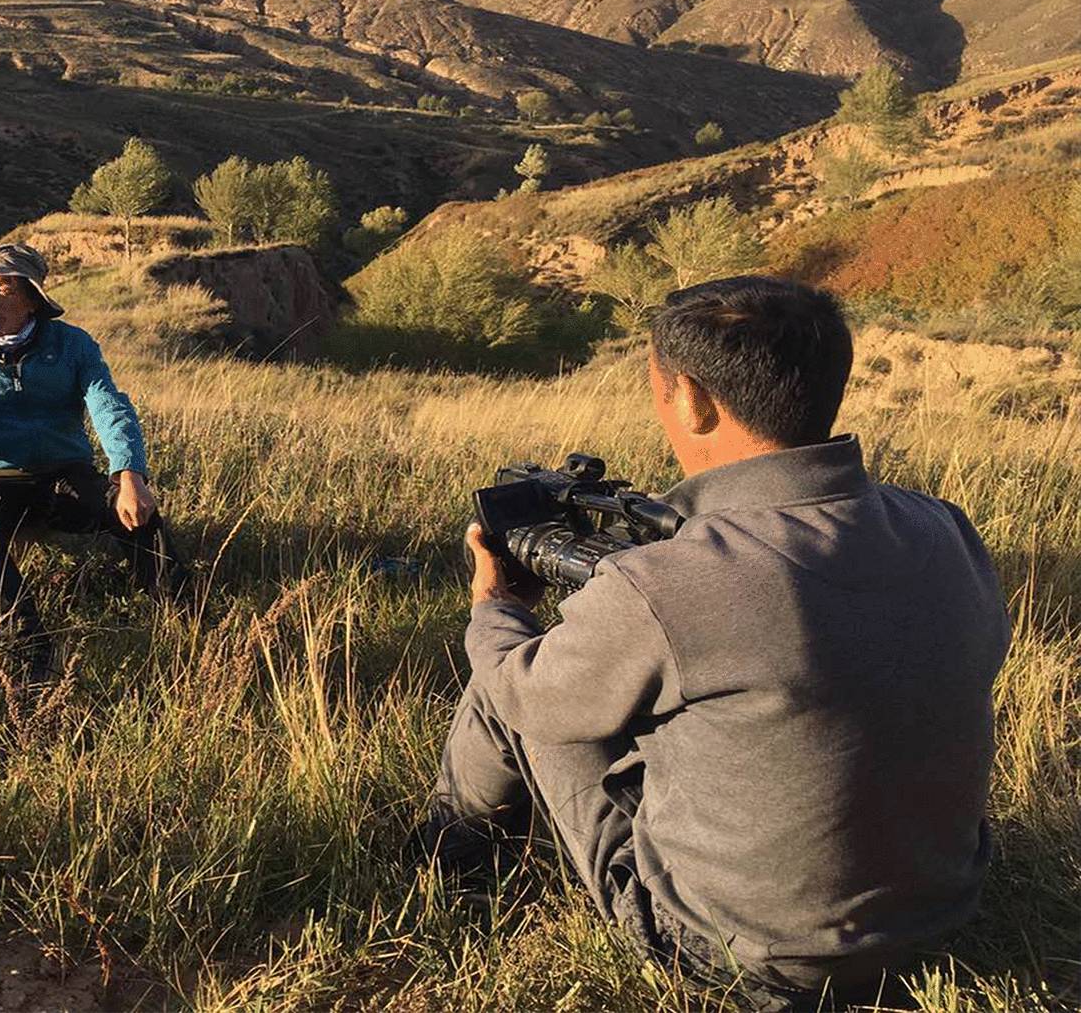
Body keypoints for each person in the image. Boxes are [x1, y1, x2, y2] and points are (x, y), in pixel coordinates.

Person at [425, 276, 1009, 1011]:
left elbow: (525, 691)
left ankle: (443, 866)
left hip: (742, 959)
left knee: (507, 671)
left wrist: (493, 605)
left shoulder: (674, 581)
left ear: (694, 401)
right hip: (939, 924)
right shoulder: (945, 527)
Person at [0, 242, 182, 678]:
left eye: (5, 290)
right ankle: (30, 652)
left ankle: (183, 617)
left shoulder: (72, 345)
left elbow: (109, 406)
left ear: (32, 299)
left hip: (64, 471)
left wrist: (129, 472)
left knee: (138, 515)